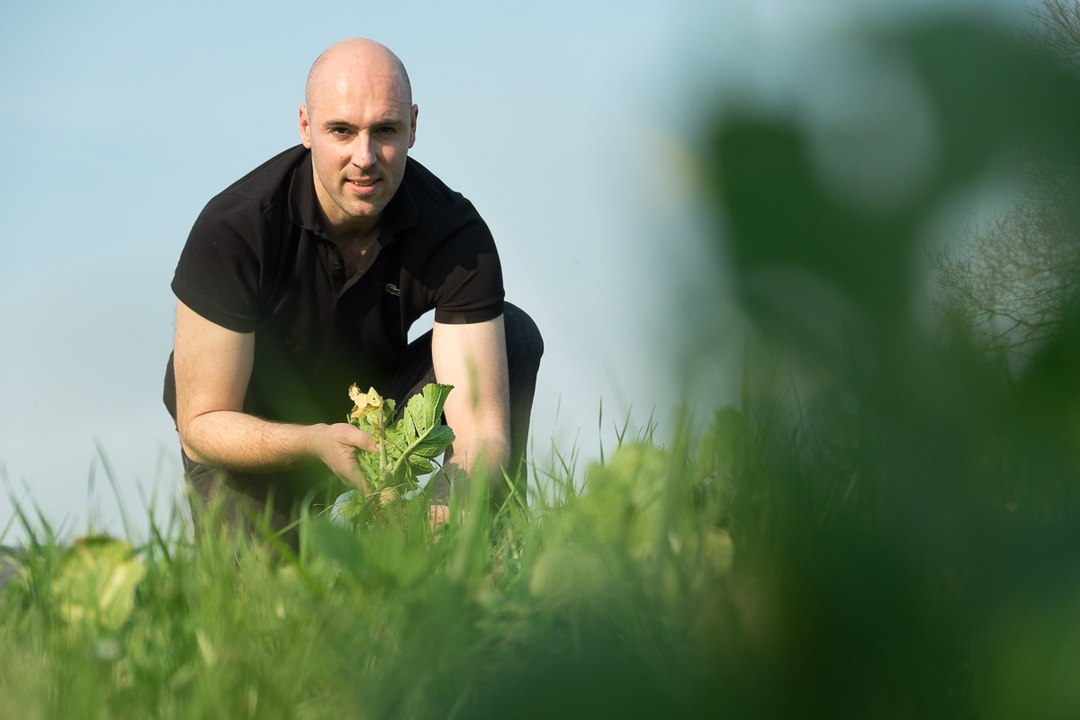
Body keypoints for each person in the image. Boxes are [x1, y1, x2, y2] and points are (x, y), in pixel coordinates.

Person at [163, 38, 543, 542]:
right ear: (306, 127)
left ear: (413, 126)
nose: (364, 158)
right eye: (341, 130)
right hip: (257, 440)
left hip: (372, 420)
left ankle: (478, 550)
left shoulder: (455, 234)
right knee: (264, 590)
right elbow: (202, 424)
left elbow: (482, 434)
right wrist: (315, 443)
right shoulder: (235, 229)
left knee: (512, 333)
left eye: (385, 130)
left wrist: (438, 513)